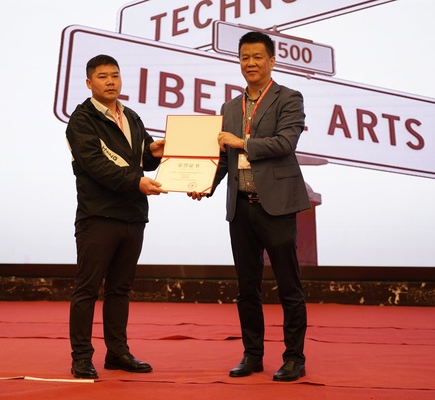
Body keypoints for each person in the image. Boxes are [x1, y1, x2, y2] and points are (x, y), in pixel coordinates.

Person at [189, 31, 311, 382]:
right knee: (247, 289)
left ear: (272, 60)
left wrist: (241, 141)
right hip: (240, 207)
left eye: (258, 57)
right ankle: (252, 355)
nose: (251, 63)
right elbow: (225, 160)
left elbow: (285, 143)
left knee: (289, 286)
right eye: (245, 57)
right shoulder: (230, 108)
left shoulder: (289, 98)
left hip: (277, 206)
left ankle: (294, 358)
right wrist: (204, 185)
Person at [65, 54, 167, 379]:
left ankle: (117, 352)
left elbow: (142, 157)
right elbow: (97, 167)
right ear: (88, 83)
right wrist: (137, 182)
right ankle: (82, 357)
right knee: (87, 289)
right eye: (102, 76)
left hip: (133, 215)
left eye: (115, 76)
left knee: (120, 290)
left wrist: (155, 152)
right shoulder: (81, 120)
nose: (110, 82)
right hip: (98, 216)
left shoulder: (131, 116)